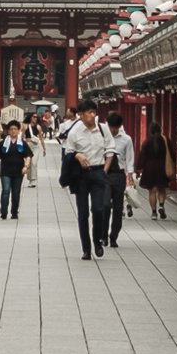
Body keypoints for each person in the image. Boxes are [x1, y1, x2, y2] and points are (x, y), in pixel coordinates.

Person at [62, 102, 115, 259]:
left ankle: (97, 239)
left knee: (100, 208)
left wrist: (105, 169)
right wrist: (77, 155)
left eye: (94, 112)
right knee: (83, 212)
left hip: (99, 171)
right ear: (81, 115)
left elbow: (110, 149)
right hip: (81, 175)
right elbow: (68, 153)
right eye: (89, 112)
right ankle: (86, 247)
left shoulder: (103, 129)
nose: (93, 115)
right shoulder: (75, 132)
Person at [0, 116, 32, 220]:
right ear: (8, 131)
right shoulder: (3, 143)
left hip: (18, 172)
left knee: (16, 193)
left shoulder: (22, 143)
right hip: (5, 171)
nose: (13, 131)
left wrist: (26, 166)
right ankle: (3, 211)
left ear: (18, 130)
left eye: (15, 129)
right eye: (11, 129)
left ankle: (14, 212)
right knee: (6, 190)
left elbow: (28, 156)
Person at [105, 115, 136, 244]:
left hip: (119, 175)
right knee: (105, 205)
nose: (112, 130)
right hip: (105, 174)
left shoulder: (126, 139)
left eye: (115, 128)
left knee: (118, 207)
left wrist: (130, 176)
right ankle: (102, 234)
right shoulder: (103, 137)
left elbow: (129, 158)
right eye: (111, 127)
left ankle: (114, 236)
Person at [138, 121, 172, 219]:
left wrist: (139, 167)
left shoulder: (147, 142)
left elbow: (142, 156)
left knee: (152, 191)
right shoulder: (166, 140)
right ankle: (161, 205)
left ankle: (154, 213)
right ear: (160, 129)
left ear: (150, 131)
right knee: (161, 188)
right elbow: (172, 154)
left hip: (149, 168)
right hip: (162, 167)